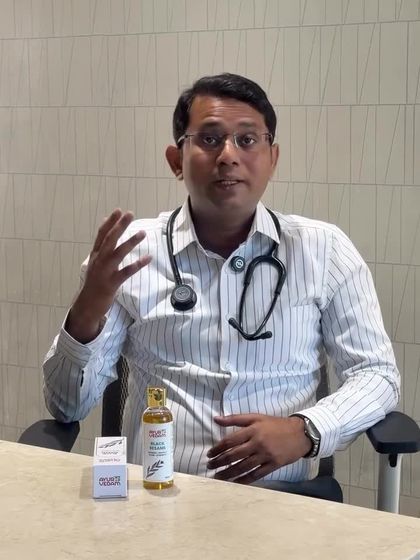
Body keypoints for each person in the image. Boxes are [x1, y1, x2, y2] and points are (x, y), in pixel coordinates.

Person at [43, 73, 399, 486]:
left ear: (273, 158)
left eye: (247, 140)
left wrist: (306, 430)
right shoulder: (130, 255)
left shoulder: (324, 251)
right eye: (210, 139)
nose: (228, 155)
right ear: (176, 160)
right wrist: (88, 310)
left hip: (283, 500)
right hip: (159, 496)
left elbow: (377, 375)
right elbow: (66, 406)